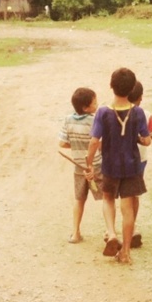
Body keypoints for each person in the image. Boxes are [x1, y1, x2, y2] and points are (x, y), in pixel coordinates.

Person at [86, 67, 152, 265]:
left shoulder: (103, 112)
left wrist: (89, 162)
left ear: (111, 86)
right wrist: (139, 139)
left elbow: (94, 141)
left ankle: (112, 234)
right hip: (131, 166)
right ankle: (125, 252)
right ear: (132, 88)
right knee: (128, 208)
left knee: (108, 199)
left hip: (110, 166)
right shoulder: (138, 112)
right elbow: (147, 141)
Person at [58, 87, 102, 244]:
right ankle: (107, 232)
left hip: (78, 166)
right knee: (106, 198)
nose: (97, 105)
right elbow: (100, 143)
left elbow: (62, 143)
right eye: (95, 102)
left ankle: (75, 233)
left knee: (79, 199)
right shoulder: (95, 120)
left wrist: (77, 146)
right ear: (86, 107)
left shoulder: (67, 119)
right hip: (95, 164)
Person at [125, 79, 152, 249]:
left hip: (119, 158)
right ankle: (132, 228)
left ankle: (115, 229)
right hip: (139, 160)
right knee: (134, 195)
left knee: (120, 195)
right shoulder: (146, 114)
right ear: (141, 97)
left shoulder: (115, 112)